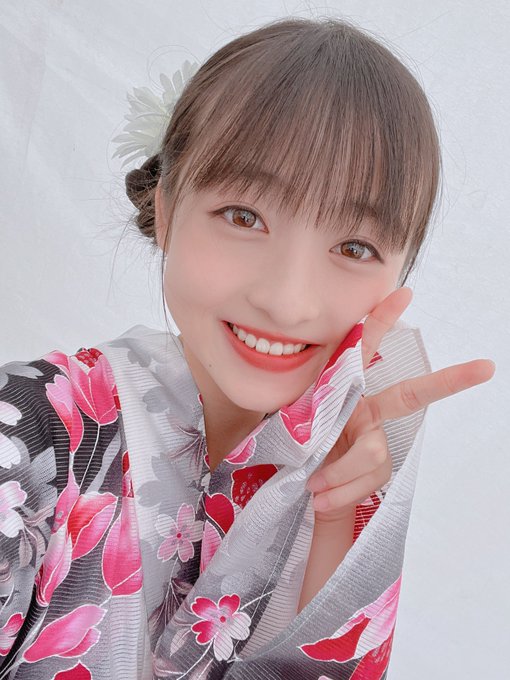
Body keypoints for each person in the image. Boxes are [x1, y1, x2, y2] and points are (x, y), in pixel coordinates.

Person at [0, 16, 495, 680]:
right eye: (244, 216)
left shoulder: (351, 482)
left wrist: (335, 523)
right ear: (167, 209)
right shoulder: (25, 439)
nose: (288, 301)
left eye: (354, 247)